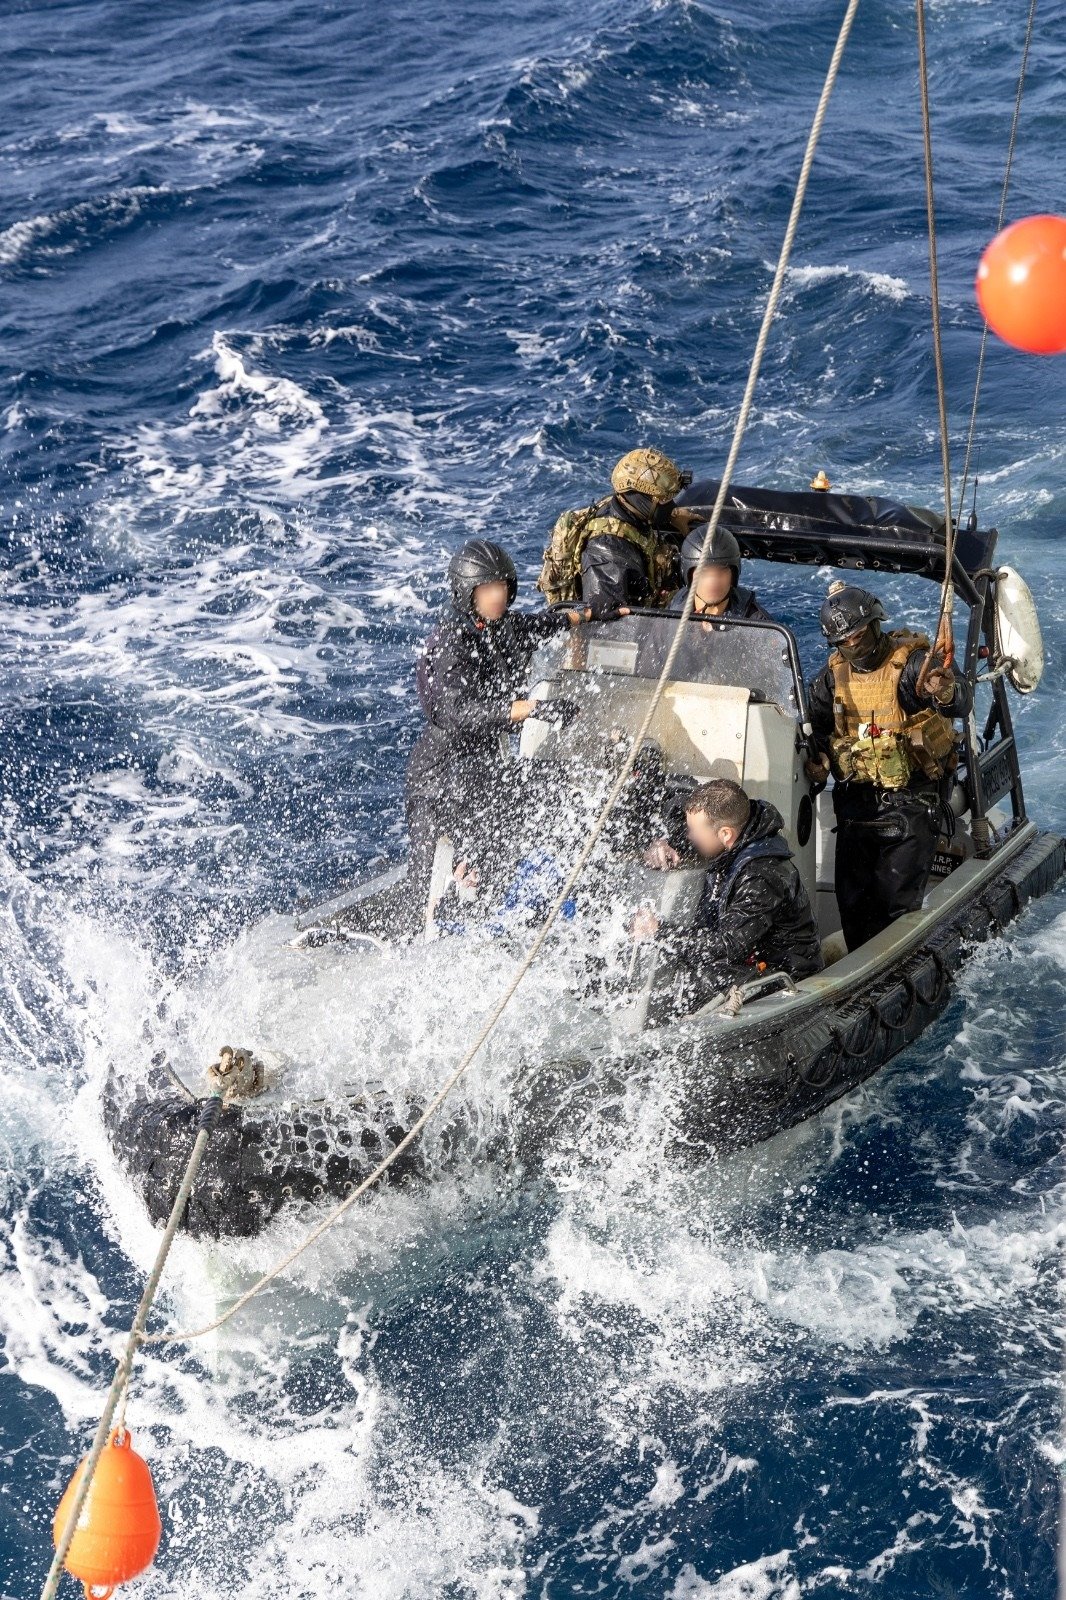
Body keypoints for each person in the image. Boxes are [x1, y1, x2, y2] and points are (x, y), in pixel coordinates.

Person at [405, 539, 586, 928]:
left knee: (498, 844)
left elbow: (538, 625)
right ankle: (422, 936)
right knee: (425, 886)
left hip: (481, 764)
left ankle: (494, 920)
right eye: (487, 589)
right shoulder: (451, 640)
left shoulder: (498, 626)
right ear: (466, 593)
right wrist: (531, 710)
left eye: (503, 587)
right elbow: (454, 712)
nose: (498, 596)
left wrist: (584, 616)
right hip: (439, 774)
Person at [805, 582, 971, 951]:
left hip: (912, 803)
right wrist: (818, 760)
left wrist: (942, 690)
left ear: (876, 625)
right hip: (856, 804)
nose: (853, 646)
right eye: (843, 641)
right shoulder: (832, 678)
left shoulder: (914, 665)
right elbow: (814, 728)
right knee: (853, 907)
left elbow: (960, 701)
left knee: (895, 911)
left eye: (859, 636)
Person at [633, 778, 823, 1011]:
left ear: (725, 834)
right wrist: (665, 841)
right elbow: (679, 798)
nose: (689, 837)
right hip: (747, 958)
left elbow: (729, 944)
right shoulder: (736, 831)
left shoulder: (761, 876)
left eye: (693, 831)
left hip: (784, 973)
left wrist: (660, 932)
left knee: (696, 980)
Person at [537, 448, 702, 618]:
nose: (670, 505)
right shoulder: (608, 554)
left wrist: (670, 514)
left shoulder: (625, 509)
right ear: (639, 498)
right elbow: (608, 627)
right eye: (664, 500)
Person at [667, 525, 774, 621]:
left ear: (733, 575)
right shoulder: (674, 608)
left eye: (721, 571)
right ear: (688, 575)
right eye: (703, 571)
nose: (712, 581)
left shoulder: (757, 623)